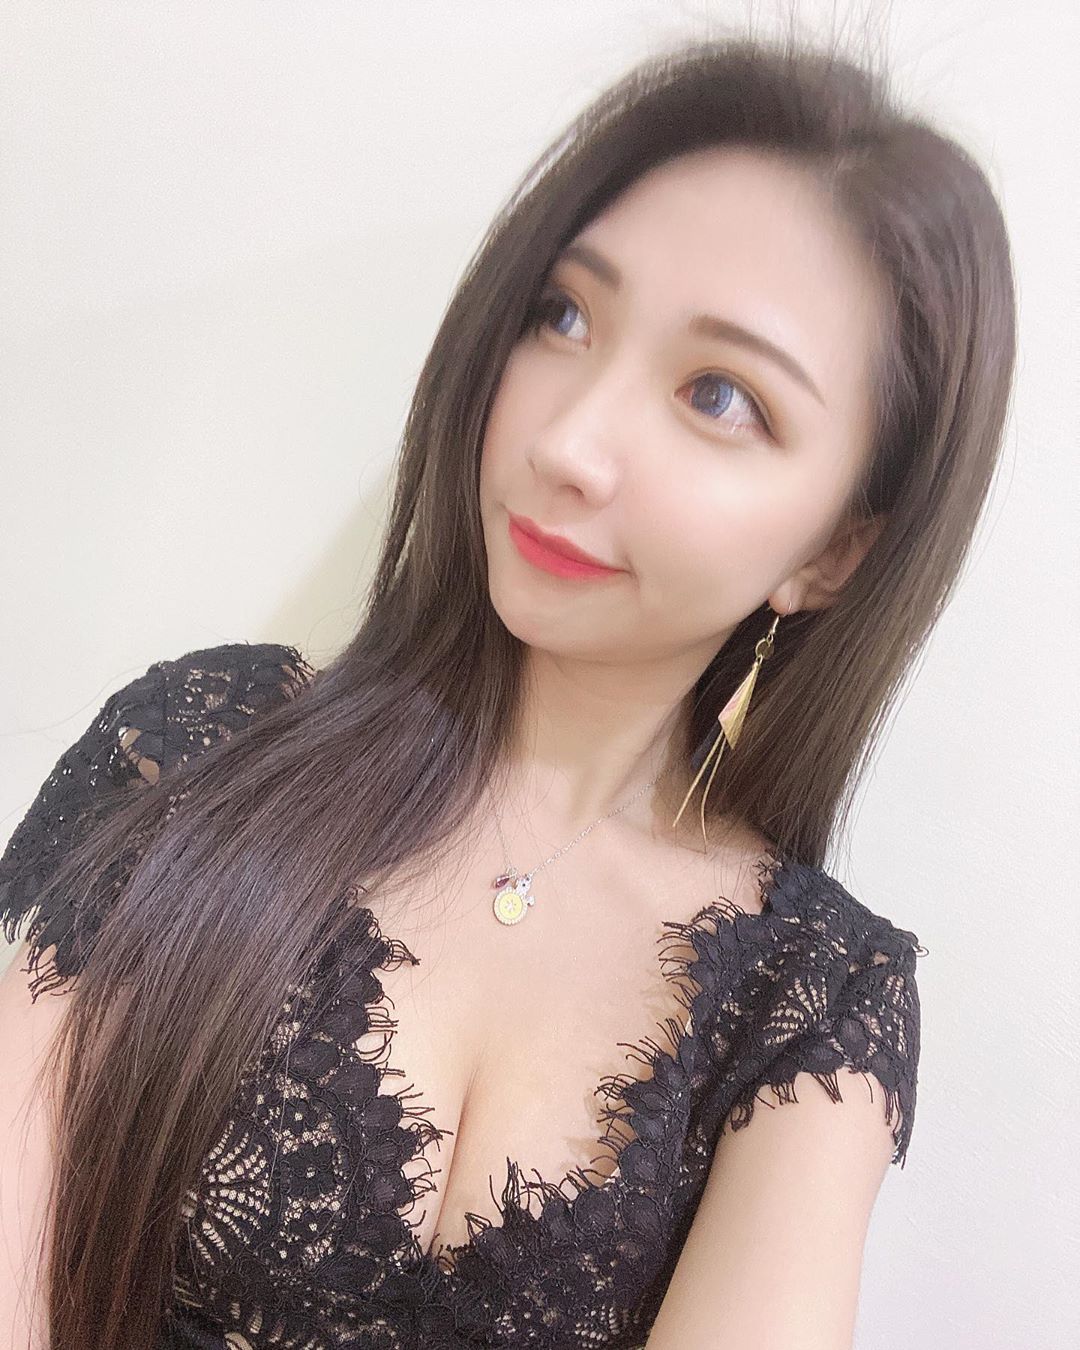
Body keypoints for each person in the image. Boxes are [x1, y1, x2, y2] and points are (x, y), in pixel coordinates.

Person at [0, 28, 1015, 1350]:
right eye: (565, 315)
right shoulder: (195, 748)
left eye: (719, 395)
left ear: (833, 552)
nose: (568, 442)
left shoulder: (808, 997)